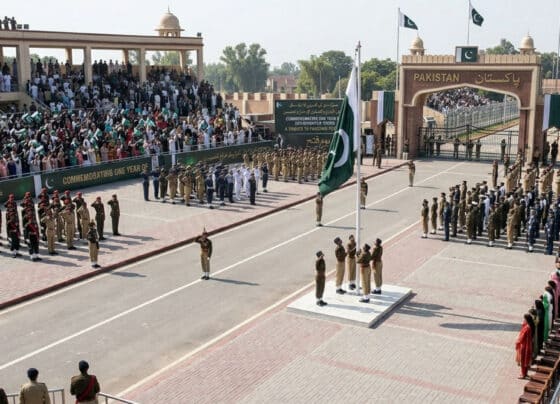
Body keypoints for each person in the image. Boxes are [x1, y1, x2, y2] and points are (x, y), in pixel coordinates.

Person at [515, 313, 534, 379]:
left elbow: (522, 337)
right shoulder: (529, 326)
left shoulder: (526, 328)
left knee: (523, 361)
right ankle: (525, 373)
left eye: (524, 319)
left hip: (524, 346)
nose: (524, 320)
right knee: (526, 360)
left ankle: (523, 374)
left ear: (526, 319)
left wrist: (517, 342)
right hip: (528, 346)